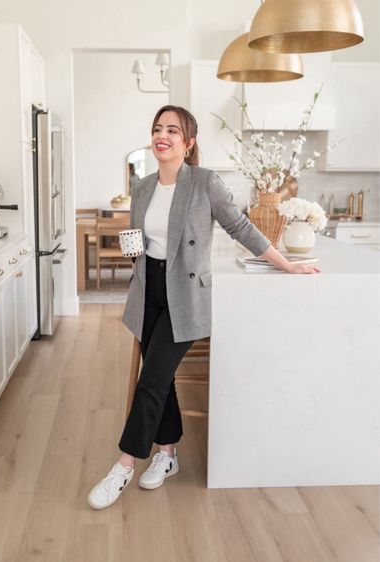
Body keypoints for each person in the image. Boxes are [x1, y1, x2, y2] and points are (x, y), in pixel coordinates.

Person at [87, 105, 321, 510]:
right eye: (158, 128)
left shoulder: (204, 183)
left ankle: (124, 464)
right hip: (148, 290)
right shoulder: (142, 186)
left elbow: (240, 226)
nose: (163, 135)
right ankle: (168, 455)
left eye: (173, 130)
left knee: (152, 380)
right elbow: (134, 235)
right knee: (161, 379)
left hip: (186, 294)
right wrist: (134, 262)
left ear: (189, 142)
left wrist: (287, 263)